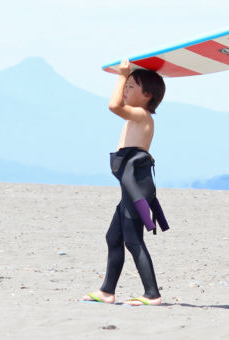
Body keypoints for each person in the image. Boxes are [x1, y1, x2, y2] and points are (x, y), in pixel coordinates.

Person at [82, 59, 169, 306]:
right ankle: (107, 291)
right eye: (126, 85)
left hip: (136, 187)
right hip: (130, 187)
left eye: (131, 86)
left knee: (133, 239)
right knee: (114, 236)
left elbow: (113, 105)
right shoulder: (135, 117)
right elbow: (119, 105)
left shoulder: (141, 115)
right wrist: (127, 77)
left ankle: (152, 294)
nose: (126, 90)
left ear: (147, 95)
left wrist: (121, 75)